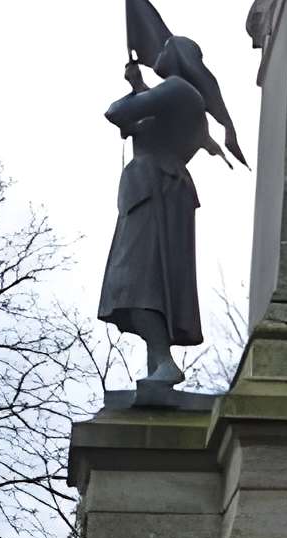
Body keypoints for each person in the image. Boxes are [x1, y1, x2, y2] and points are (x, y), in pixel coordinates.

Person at [98, 36, 246, 390]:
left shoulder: (178, 89)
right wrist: (140, 87)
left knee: (138, 279)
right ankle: (159, 368)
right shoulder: (180, 96)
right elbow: (142, 123)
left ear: (178, 57)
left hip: (155, 188)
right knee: (146, 279)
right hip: (157, 187)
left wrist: (134, 93)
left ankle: (163, 362)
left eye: (164, 48)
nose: (157, 53)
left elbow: (116, 113)